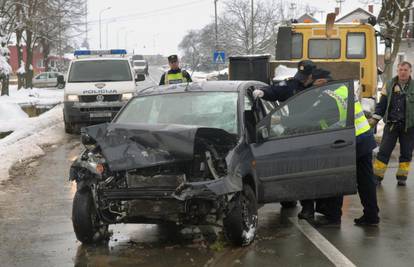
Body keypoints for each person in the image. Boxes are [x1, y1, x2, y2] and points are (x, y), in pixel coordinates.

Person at [297, 68, 379, 227]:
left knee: (336, 177)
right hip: (364, 137)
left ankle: (333, 217)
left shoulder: (328, 98)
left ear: (321, 82)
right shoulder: (342, 89)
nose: (313, 87)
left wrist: (282, 120)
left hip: (348, 141)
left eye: (314, 83)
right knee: (366, 180)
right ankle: (371, 216)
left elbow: (309, 118)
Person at [370, 61, 414, 186]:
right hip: (391, 125)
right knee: (383, 151)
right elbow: (382, 105)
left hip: (409, 127)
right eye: (400, 69)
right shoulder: (388, 85)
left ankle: (402, 177)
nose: (403, 72)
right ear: (397, 71)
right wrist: (374, 120)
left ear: (410, 71)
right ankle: (377, 177)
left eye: (406, 70)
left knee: (406, 153)